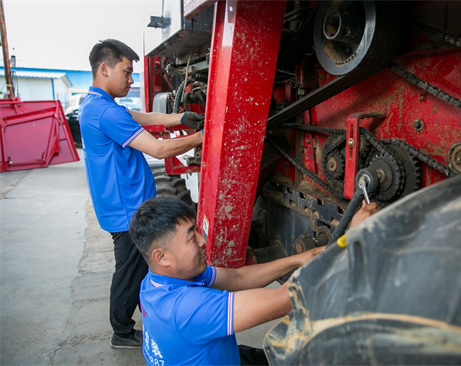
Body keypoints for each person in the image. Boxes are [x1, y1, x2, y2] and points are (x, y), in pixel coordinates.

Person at [129, 196, 380, 366]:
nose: (203, 240)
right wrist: (353, 240)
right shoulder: (186, 308)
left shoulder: (156, 282)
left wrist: (297, 259)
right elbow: (286, 300)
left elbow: (237, 277)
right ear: (161, 256)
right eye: (191, 238)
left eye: (196, 229)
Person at [79, 39, 204, 349]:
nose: (131, 79)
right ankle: (121, 330)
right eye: (127, 72)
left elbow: (140, 117)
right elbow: (158, 149)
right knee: (131, 271)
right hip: (127, 209)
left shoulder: (97, 104)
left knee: (135, 268)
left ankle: (134, 322)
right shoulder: (105, 112)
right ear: (105, 69)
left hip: (124, 204)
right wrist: (204, 135)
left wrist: (179, 119)